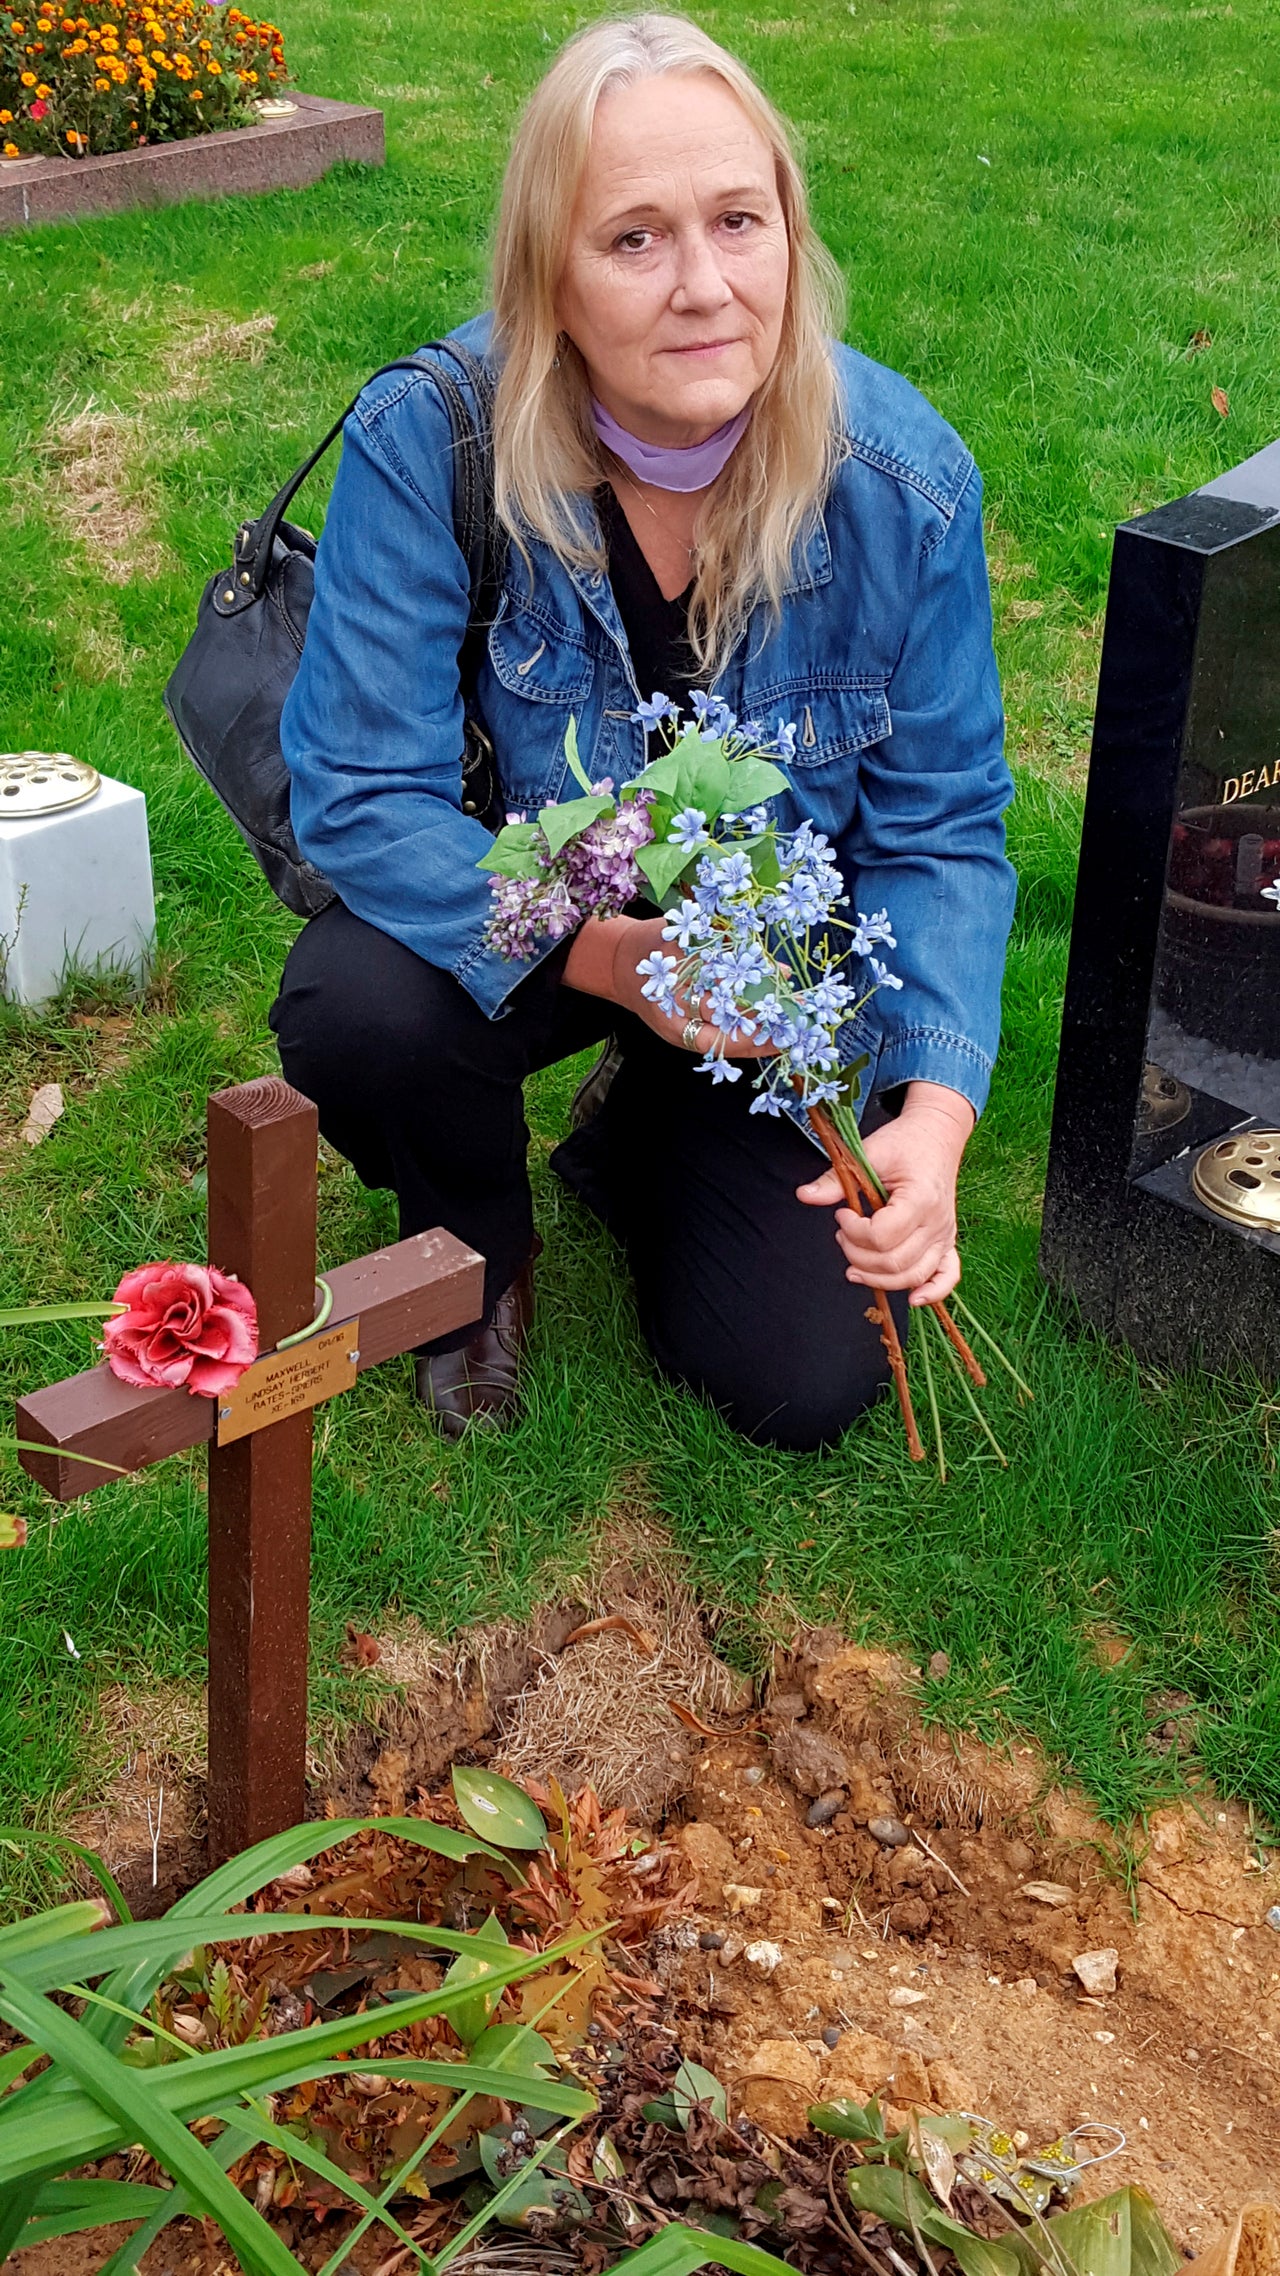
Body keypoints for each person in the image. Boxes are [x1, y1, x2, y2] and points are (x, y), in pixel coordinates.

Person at [271, 11, 1016, 1453]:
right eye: (634, 239)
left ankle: (643, 1127)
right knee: (359, 1008)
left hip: (758, 947)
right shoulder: (431, 443)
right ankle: (478, 1258)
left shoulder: (902, 483)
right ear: (549, 276)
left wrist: (933, 1120)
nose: (704, 288)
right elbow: (364, 795)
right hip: (543, 894)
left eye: (740, 221)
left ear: (791, 235)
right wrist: (615, 957)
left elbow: (941, 825)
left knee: (803, 1381)